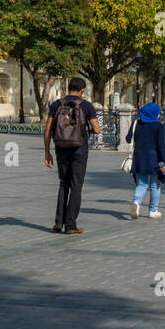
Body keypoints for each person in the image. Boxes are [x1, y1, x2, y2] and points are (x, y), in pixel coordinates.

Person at [43, 77, 101, 235]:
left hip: (61, 148)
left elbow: (48, 130)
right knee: (76, 186)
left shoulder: (57, 104)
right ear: (82, 90)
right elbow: (97, 129)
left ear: (69, 88)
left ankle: (58, 222)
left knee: (63, 184)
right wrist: (86, 130)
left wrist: (47, 152)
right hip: (79, 151)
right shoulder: (86, 106)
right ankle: (71, 225)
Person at [127, 101, 165, 219]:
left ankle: (136, 202)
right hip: (155, 159)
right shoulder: (158, 126)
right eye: (157, 113)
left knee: (141, 184)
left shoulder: (136, 123)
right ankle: (153, 210)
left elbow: (127, 138)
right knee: (155, 185)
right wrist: (164, 163)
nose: (158, 115)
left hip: (139, 158)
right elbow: (161, 146)